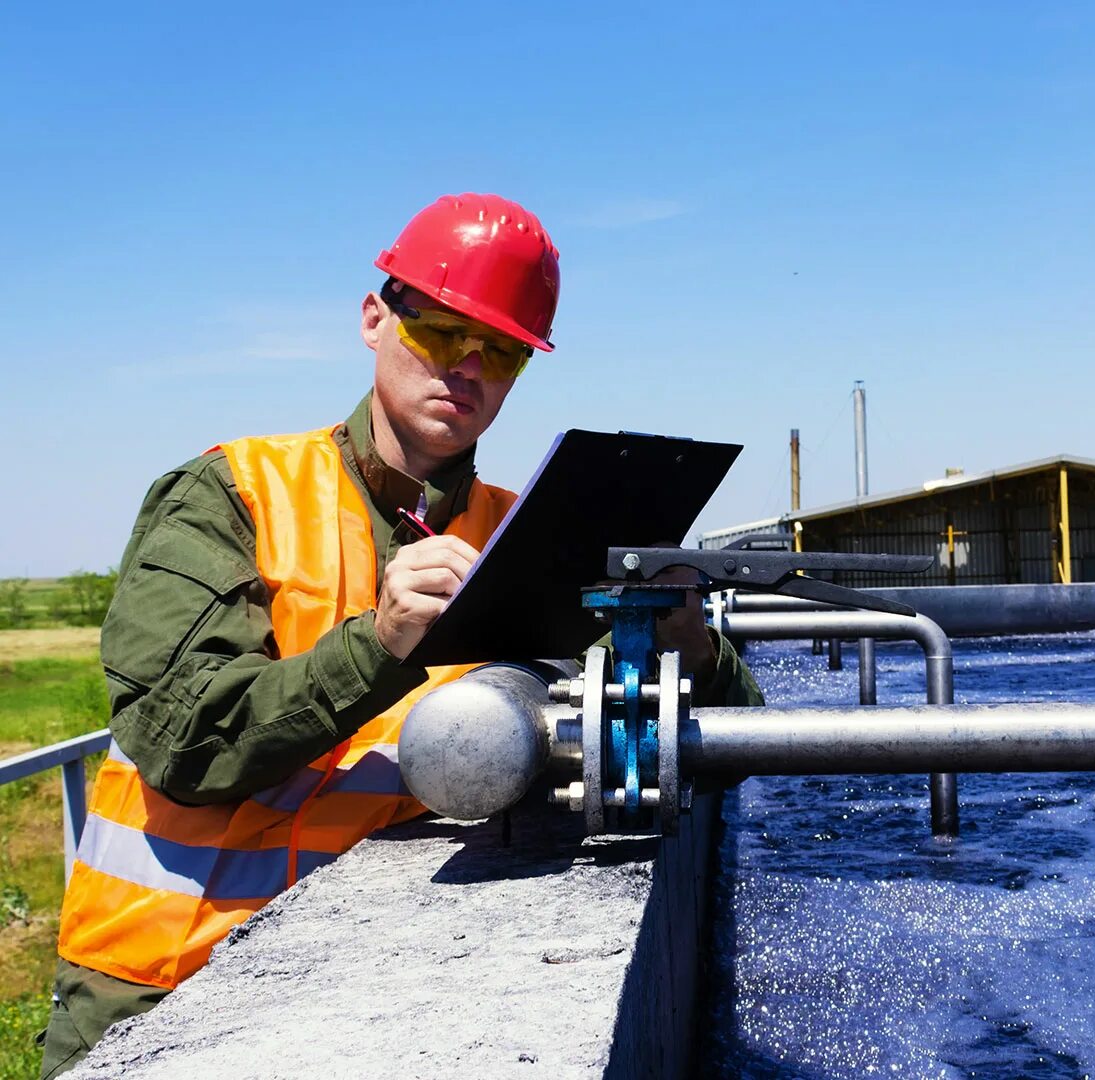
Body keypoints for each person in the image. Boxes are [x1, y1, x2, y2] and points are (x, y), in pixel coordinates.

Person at [40, 194, 762, 1078]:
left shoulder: (520, 535)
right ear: (376, 318)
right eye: (440, 333)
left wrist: (691, 647)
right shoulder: (229, 493)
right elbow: (177, 739)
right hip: (166, 988)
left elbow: (727, 754)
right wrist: (378, 643)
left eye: (500, 351)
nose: (466, 368)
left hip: (379, 981)